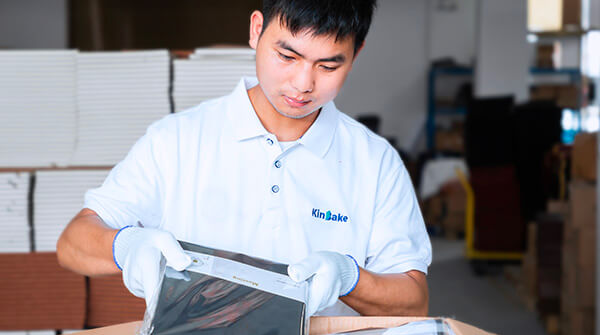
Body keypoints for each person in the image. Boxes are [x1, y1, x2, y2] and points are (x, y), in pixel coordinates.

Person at [57, 0, 432, 317]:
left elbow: (414, 301)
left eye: (328, 66)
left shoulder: (374, 162)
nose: (303, 83)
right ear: (256, 30)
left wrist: (350, 278)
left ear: (356, 54)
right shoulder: (177, 140)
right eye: (287, 55)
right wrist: (126, 246)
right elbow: (73, 243)